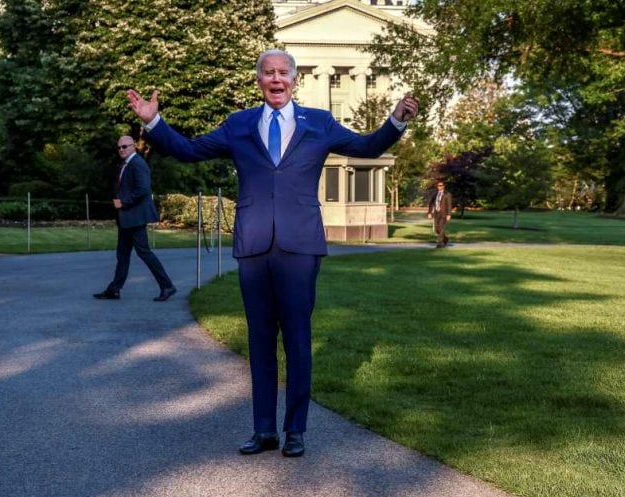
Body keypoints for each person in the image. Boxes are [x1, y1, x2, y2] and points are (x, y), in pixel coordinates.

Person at [127, 49, 419, 457]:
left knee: (298, 339)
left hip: (301, 246)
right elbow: (190, 150)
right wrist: (153, 122)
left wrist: (396, 120)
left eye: (283, 72)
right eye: (269, 73)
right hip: (254, 245)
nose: (276, 79)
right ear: (259, 79)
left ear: (295, 79)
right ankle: (264, 430)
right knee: (260, 339)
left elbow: (367, 146)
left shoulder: (319, 123)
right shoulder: (239, 124)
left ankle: (295, 430)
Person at [93, 135, 177, 302]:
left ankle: (167, 286)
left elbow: (143, 189)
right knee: (122, 255)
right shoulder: (126, 164)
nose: (121, 150)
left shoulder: (138, 164)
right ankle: (114, 289)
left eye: (125, 146)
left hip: (135, 217)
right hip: (127, 218)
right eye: (119, 147)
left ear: (133, 147)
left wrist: (123, 203)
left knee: (144, 252)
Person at [427, 180, 452, 248]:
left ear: (443, 186)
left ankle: (440, 243)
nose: (439, 187)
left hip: (443, 214)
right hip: (436, 213)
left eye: (440, 185)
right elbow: (431, 204)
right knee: (436, 229)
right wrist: (429, 213)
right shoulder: (435, 194)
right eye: (438, 186)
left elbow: (449, 205)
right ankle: (445, 239)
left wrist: (449, 214)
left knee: (441, 227)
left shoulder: (447, 194)